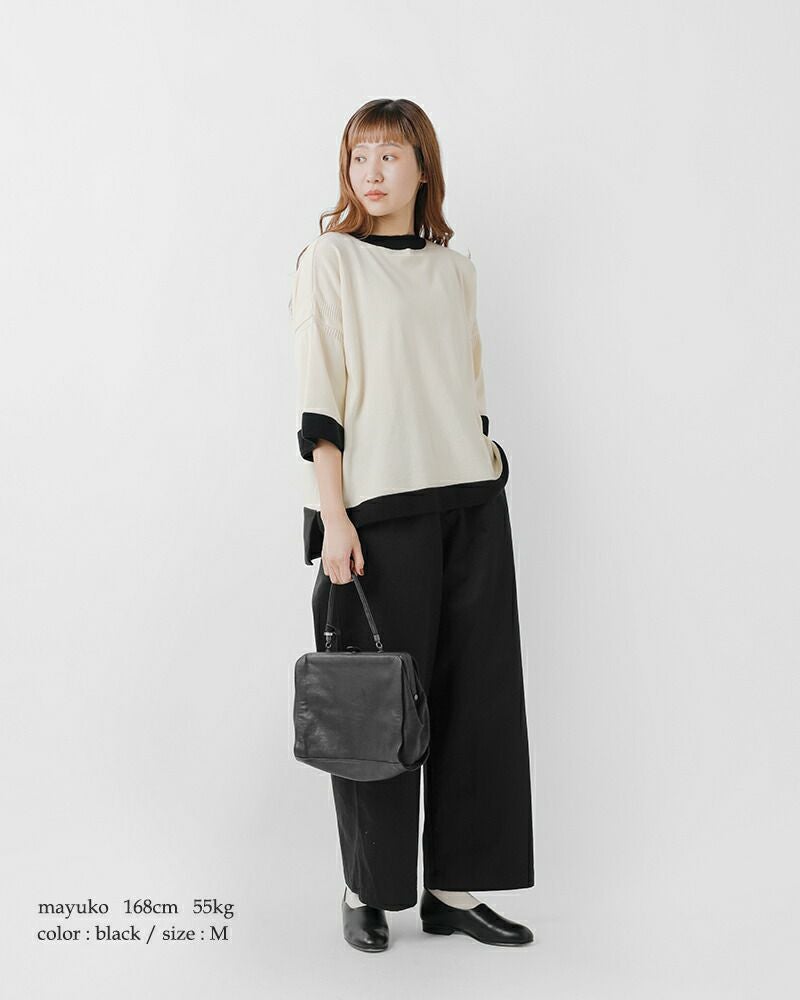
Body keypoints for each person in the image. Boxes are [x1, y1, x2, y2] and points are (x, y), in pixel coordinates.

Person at [290, 98, 535, 951]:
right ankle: (367, 888)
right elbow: (319, 400)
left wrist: (485, 458)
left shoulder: (454, 270)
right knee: (377, 711)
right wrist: (335, 519)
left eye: (390, 155)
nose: (372, 171)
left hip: (470, 504)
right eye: (359, 156)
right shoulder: (332, 260)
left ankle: (453, 892)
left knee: (477, 702)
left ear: (423, 168)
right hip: (378, 516)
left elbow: (468, 385)